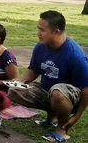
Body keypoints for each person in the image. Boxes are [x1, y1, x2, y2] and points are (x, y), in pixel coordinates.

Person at [8, 11, 88, 142]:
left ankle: (62, 129)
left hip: (70, 97)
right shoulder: (41, 47)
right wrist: (20, 81)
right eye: (38, 29)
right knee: (14, 91)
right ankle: (50, 119)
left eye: (42, 30)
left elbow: (86, 89)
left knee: (57, 92)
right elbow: (33, 70)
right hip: (49, 91)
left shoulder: (74, 54)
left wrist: (77, 116)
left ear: (56, 31)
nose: (38, 33)